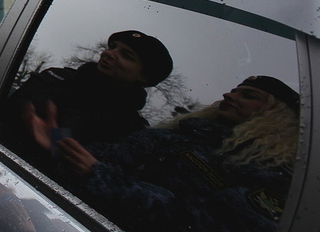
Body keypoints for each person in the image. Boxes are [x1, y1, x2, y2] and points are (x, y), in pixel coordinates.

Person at [59, 75, 299, 232]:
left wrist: (103, 178)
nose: (228, 95)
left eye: (249, 95)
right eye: (234, 91)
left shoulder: (269, 175)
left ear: (276, 117)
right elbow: (102, 156)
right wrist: (54, 140)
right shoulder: (179, 132)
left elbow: (207, 223)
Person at [0, 31, 173, 172]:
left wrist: (56, 144)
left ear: (144, 77)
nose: (109, 54)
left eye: (126, 55)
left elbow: (97, 178)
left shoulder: (130, 130)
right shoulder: (54, 79)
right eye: (112, 47)